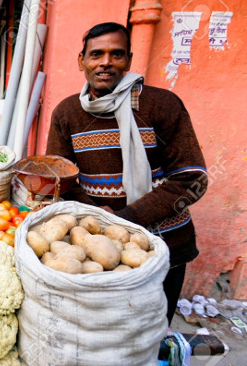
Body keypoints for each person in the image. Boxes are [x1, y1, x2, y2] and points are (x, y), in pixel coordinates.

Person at [46, 22, 207, 325]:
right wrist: (100, 220)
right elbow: (61, 178)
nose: (106, 62)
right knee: (105, 333)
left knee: (151, 331)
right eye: (96, 54)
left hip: (164, 245)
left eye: (116, 54)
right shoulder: (67, 114)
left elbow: (192, 179)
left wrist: (127, 218)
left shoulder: (161, 105)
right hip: (96, 249)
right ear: (81, 61)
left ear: (129, 60)